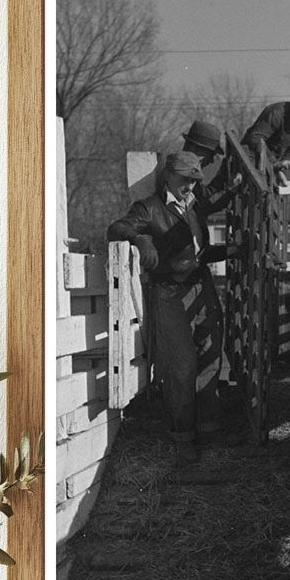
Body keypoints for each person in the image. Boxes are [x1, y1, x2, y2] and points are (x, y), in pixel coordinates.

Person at [106, 151, 225, 463]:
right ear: (169, 177)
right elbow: (116, 229)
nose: (190, 186)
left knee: (211, 355)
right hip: (169, 292)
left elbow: (202, 251)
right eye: (185, 179)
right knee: (181, 366)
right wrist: (141, 239)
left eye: (195, 180)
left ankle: (209, 429)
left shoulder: (194, 206)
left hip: (202, 286)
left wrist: (233, 251)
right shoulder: (150, 208)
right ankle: (182, 436)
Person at [181, 119, 243, 221]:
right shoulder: (180, 175)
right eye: (210, 154)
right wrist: (229, 191)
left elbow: (203, 196)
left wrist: (224, 172)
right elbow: (201, 208)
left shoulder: (189, 175)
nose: (211, 160)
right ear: (195, 148)